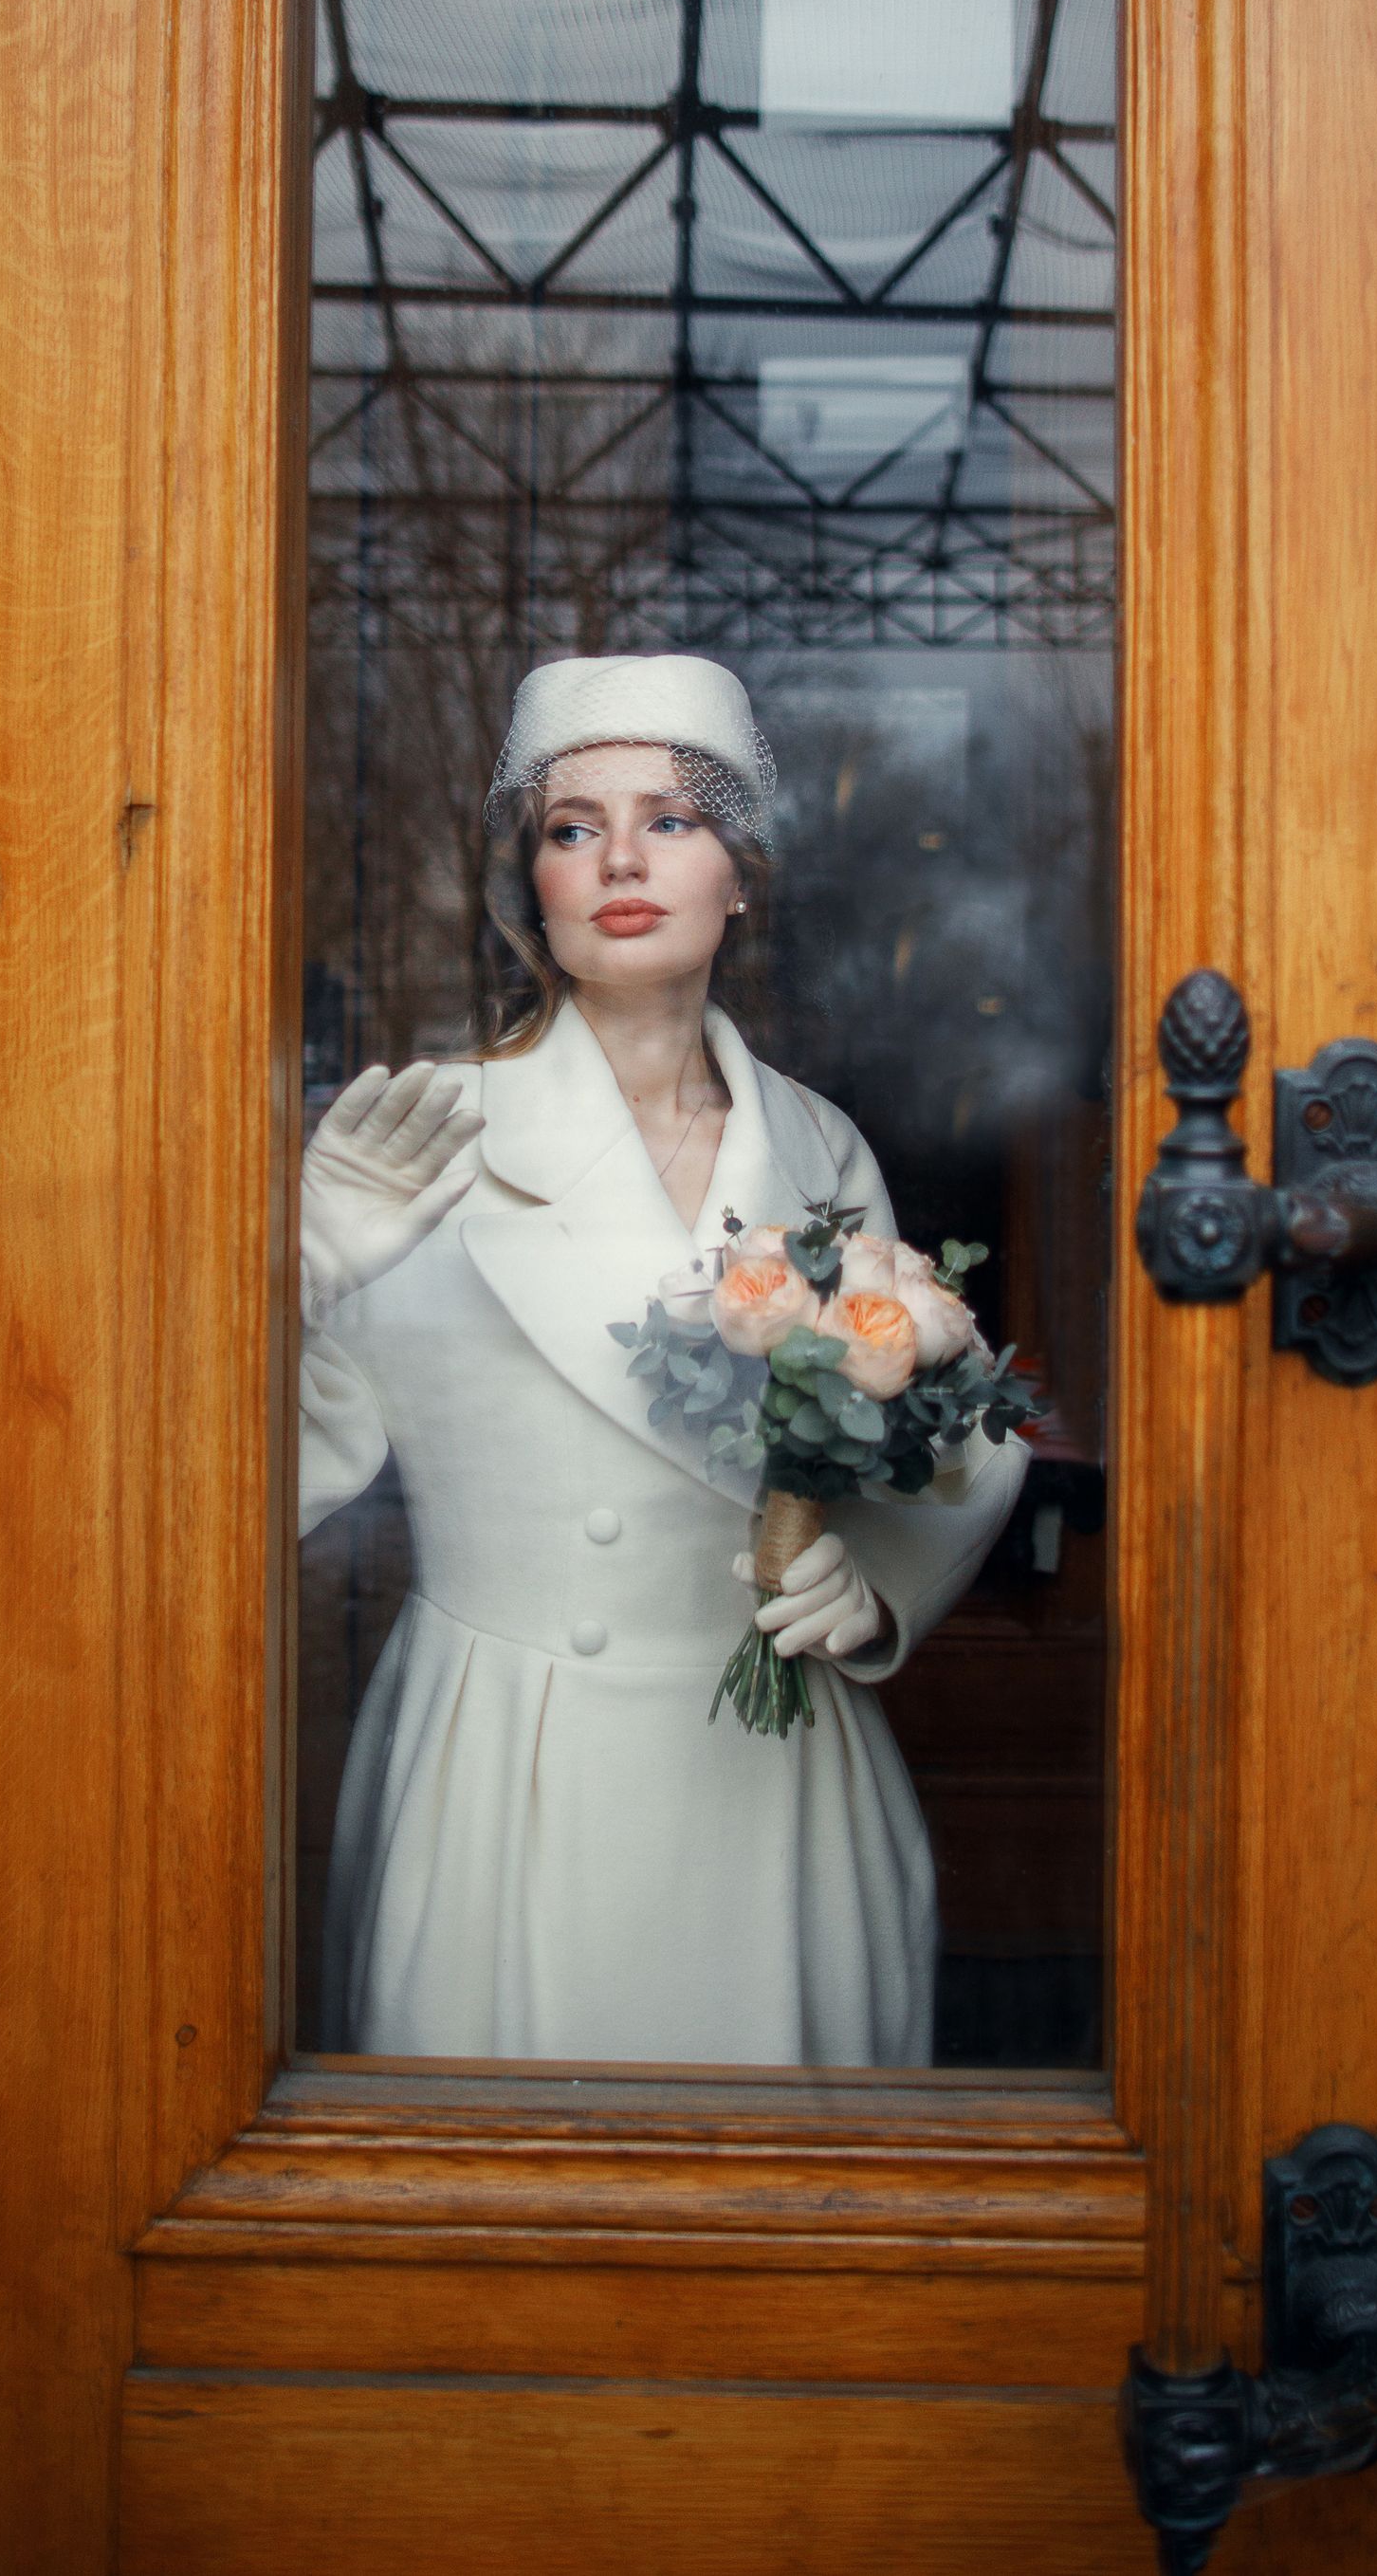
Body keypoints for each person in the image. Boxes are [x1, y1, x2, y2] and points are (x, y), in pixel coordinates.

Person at [298, 653, 1023, 2067]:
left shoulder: (818, 1146)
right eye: (573, 828)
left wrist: (874, 1577)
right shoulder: (425, 1143)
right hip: (509, 1769)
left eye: (672, 820)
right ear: (535, 885)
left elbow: (946, 1416)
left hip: (778, 1778)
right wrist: (301, 1284)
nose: (620, 859)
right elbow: (256, 1497)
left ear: (740, 876)